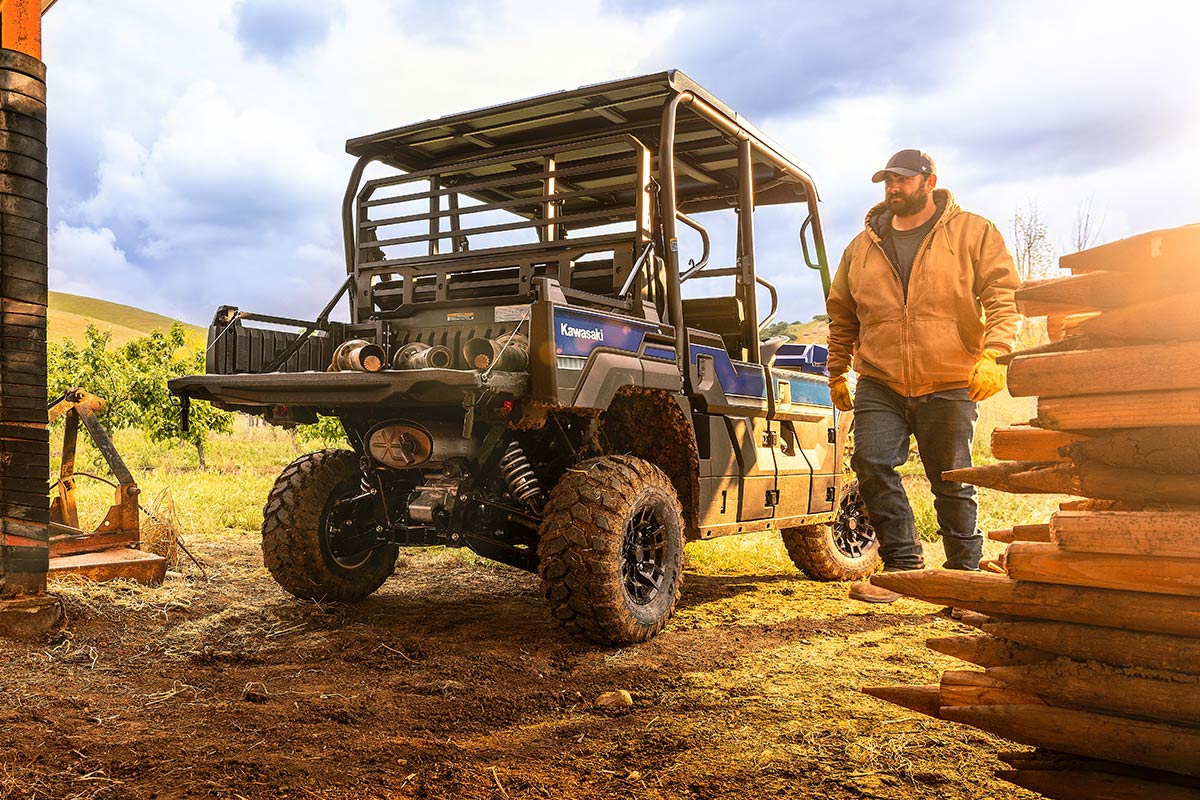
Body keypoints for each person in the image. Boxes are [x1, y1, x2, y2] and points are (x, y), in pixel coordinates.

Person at [825, 149, 1020, 603]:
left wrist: (996, 354)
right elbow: (842, 315)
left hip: (950, 377)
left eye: (904, 179)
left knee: (952, 479)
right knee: (871, 463)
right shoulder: (860, 248)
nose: (894, 187)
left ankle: (963, 578)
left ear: (929, 182)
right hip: (880, 379)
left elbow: (1003, 294)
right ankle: (903, 567)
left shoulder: (973, 231)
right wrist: (837, 370)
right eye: (888, 181)